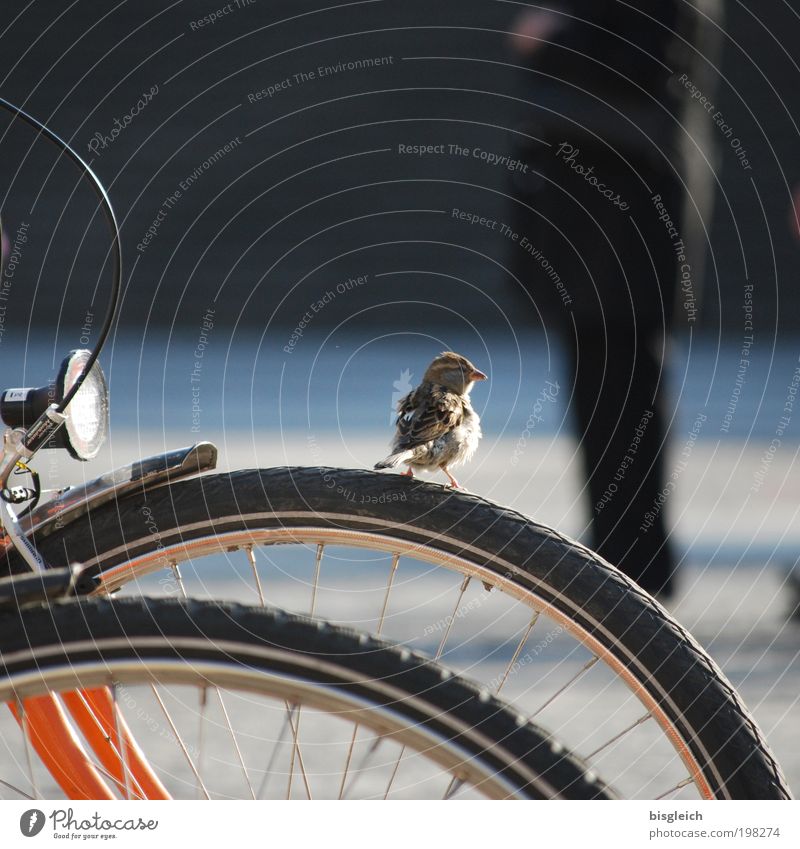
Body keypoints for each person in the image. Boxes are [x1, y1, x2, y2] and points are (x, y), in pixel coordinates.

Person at [508, 1, 721, 598]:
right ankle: (618, 555)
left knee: (625, 382)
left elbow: (645, 59)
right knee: (597, 381)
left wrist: (553, 35)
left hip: (628, 200)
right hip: (592, 202)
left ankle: (635, 562)